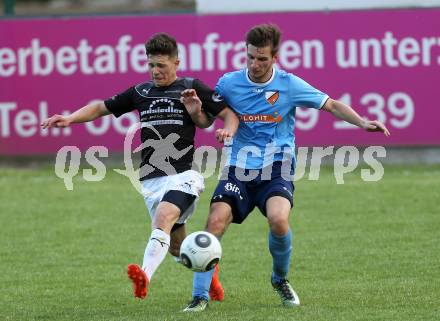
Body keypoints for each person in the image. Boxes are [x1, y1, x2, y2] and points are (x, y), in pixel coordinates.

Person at [183, 24, 390, 312]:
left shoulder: (289, 84)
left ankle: (279, 279)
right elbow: (208, 120)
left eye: (262, 59)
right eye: (251, 57)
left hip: (276, 166)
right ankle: (199, 296)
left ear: (275, 58)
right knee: (215, 222)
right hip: (238, 168)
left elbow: (330, 105)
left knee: (279, 220)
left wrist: (363, 122)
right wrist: (196, 113)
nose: (255, 64)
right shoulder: (228, 84)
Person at [41, 33, 239, 301]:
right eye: (151, 65)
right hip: (151, 181)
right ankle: (209, 275)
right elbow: (101, 107)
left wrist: (224, 129)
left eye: (162, 65)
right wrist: (70, 118)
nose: (156, 71)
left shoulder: (191, 87)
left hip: (184, 176)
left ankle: (144, 276)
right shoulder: (140, 92)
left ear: (176, 62)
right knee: (177, 247)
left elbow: (225, 114)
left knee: (163, 219)